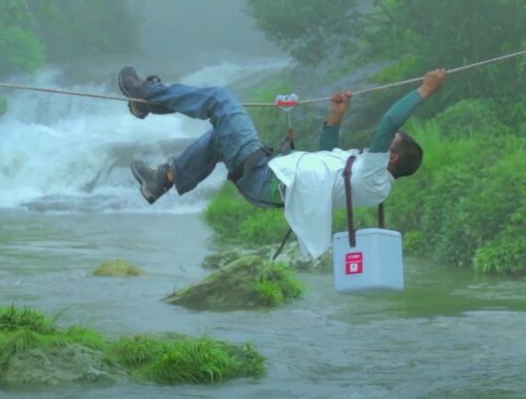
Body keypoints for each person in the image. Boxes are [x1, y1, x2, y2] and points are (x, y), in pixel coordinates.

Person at [118, 65, 447, 258]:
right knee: (221, 136)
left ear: (391, 156)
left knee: (222, 100)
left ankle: (146, 96)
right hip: (266, 178)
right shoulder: (367, 177)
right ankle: (164, 179)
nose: (381, 140)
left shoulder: (376, 177)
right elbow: (326, 157)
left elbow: (389, 121)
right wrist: (335, 118)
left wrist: (425, 89)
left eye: (390, 143)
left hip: (266, 178)